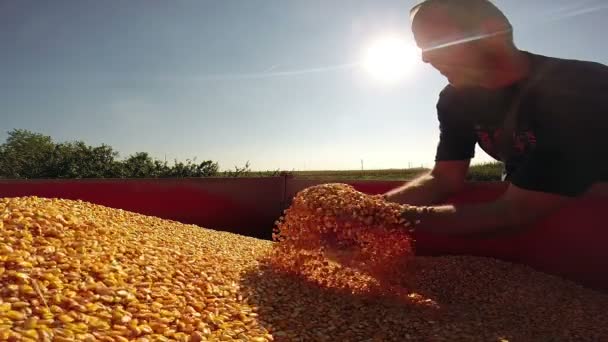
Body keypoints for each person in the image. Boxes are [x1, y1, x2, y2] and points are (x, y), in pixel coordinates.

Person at [383, 0, 608, 236]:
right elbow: (445, 178)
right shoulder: (455, 100)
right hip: (529, 198)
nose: (425, 58)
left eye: (435, 41)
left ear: (492, 33)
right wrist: (369, 206)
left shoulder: (583, 87)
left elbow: (514, 210)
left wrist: (386, 218)